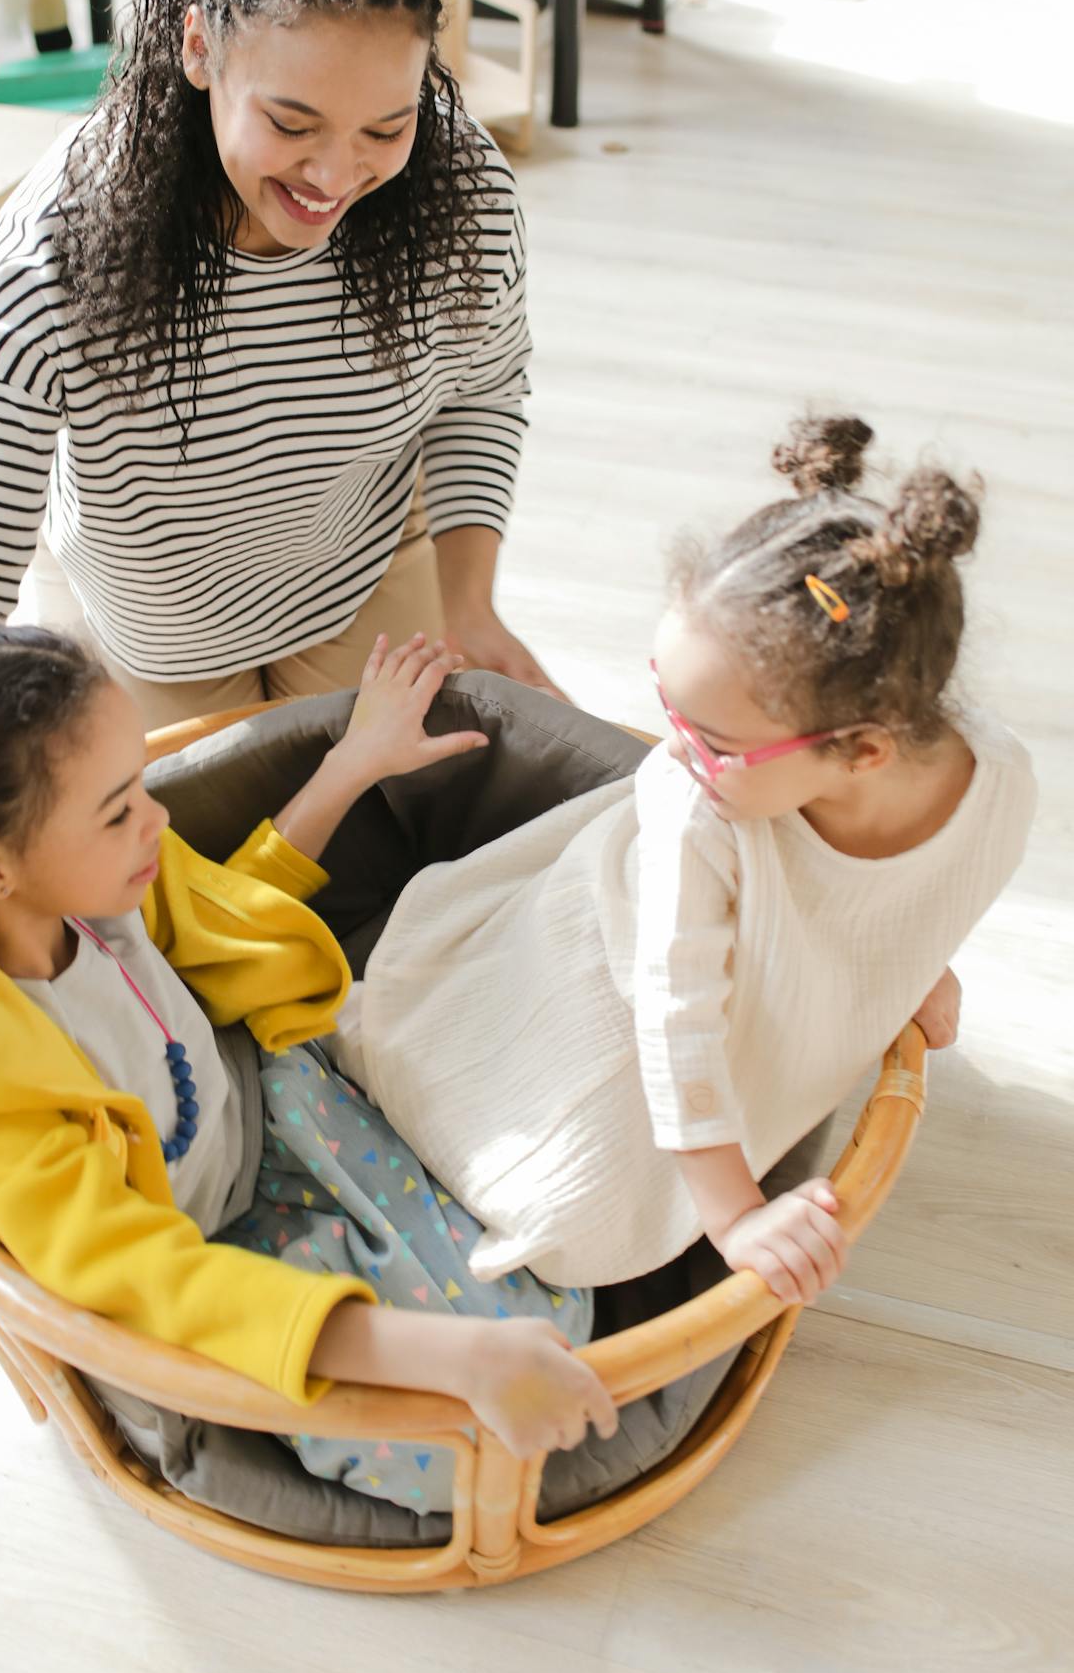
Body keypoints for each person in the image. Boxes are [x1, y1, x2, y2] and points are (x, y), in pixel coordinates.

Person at [0, 625, 614, 1516]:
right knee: (458, 1446)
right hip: (222, 1248)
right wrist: (453, 1360)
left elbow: (237, 917)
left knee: (551, 1265)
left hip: (285, 1101)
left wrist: (353, 765)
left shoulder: (106, 885)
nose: (156, 815)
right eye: (119, 808)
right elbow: (147, 1275)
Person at [0, 0, 562, 726]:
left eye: (385, 127)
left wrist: (470, 605)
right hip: (158, 622)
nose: (334, 174)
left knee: (383, 837)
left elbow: (484, 385)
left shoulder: (460, 187)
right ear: (199, 47)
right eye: (291, 124)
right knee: (193, 856)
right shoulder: (66, 237)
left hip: (362, 564)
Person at [329, 417, 1037, 1302]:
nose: (671, 750)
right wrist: (735, 1214)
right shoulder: (694, 807)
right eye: (665, 700)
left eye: (712, 739)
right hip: (603, 969)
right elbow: (676, 1019)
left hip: (727, 984)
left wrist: (915, 957)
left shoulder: (999, 785)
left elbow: (934, 881)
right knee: (568, 1214)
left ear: (862, 752)